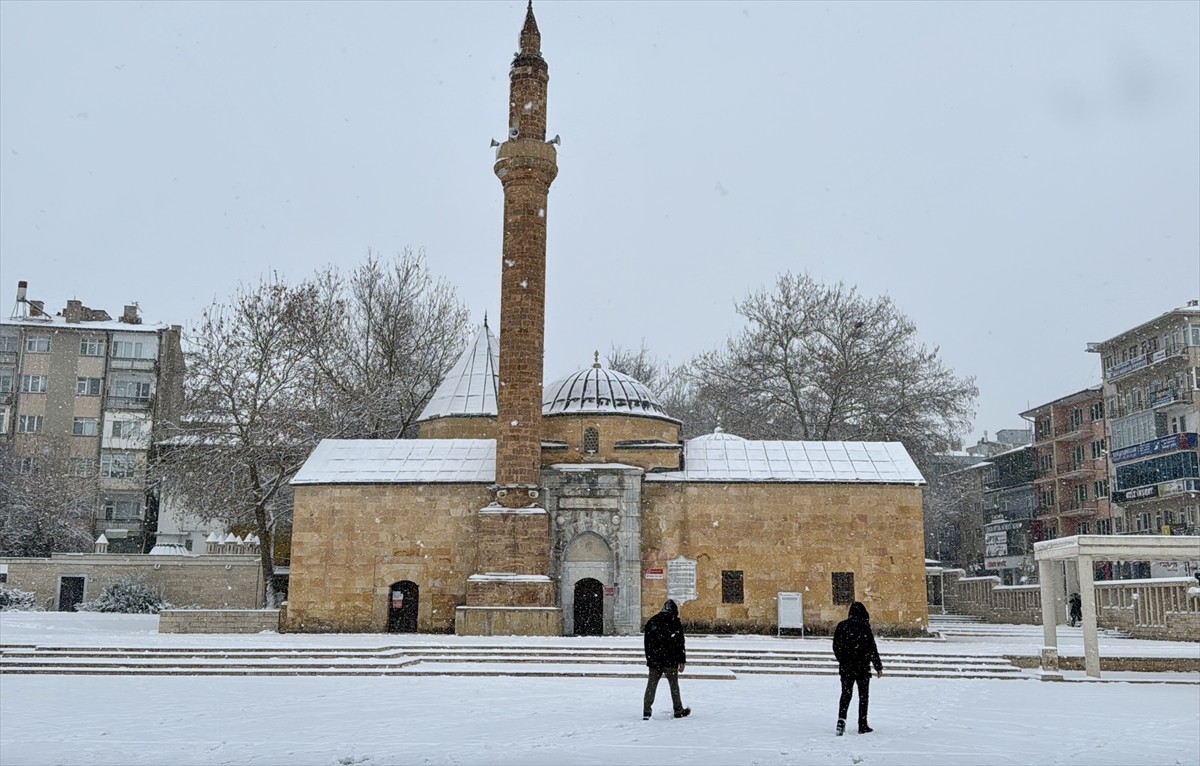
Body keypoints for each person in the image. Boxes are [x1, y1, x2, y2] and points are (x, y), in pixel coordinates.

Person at [832, 601, 883, 736]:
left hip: (846, 668)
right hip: (862, 668)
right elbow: (872, 648)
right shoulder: (864, 627)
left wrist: (843, 660)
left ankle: (841, 721)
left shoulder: (842, 626)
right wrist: (878, 666)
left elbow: (836, 646)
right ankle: (862, 724)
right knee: (863, 696)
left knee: (845, 694)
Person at [642, 599, 690, 720]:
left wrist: (649, 658)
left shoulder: (652, 621)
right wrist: (681, 660)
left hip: (655, 661)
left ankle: (646, 711)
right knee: (674, 686)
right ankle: (678, 710)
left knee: (651, 686)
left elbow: (647, 643)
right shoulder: (674, 622)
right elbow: (680, 642)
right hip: (670, 660)